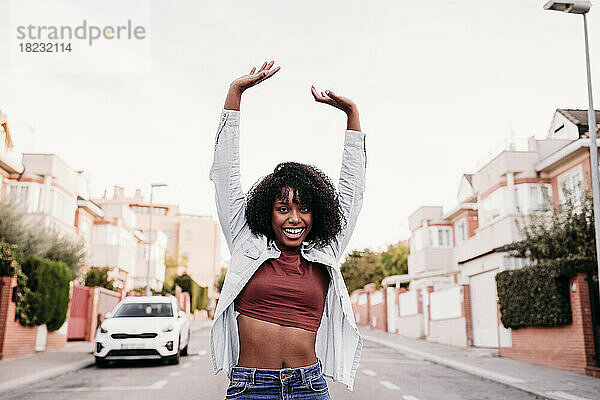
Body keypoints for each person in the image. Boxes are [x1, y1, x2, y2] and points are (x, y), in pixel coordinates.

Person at [209, 60, 366, 399]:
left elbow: (352, 192)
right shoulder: (245, 241)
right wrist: (235, 93)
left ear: (317, 214)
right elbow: (225, 175)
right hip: (252, 387)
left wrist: (352, 116)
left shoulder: (326, 252)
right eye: (283, 209)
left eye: (304, 209)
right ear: (269, 212)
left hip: (308, 387)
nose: (294, 218)